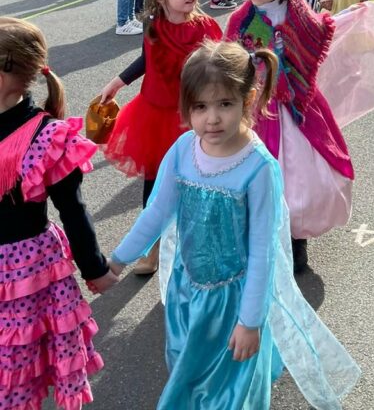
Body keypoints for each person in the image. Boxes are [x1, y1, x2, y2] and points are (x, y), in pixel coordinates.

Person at [108, 40, 360, 409]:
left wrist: (250, 321)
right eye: (200, 107)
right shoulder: (183, 150)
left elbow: (263, 251)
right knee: (189, 379)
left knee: (229, 395)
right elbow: (156, 213)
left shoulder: (258, 168)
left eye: (224, 104)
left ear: (248, 98)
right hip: (186, 294)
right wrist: (117, 260)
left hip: (233, 304)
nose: (212, 118)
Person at [0, 17, 117, 409]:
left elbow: (73, 210)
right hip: (24, 266)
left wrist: (94, 267)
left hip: (27, 272)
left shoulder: (47, 136)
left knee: (17, 361)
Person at [225, 0, 355, 273]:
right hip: (257, 109)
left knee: (300, 177)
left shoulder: (296, 9)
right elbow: (228, 60)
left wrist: (350, 17)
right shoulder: (242, 18)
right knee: (257, 177)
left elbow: (317, 34)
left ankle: (297, 238)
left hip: (296, 105)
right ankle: (262, 240)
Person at [99, 0, 222, 273]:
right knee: (154, 183)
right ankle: (150, 248)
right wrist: (118, 82)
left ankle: (197, 246)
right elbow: (146, 58)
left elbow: (217, 70)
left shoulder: (205, 27)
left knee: (197, 180)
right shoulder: (153, 24)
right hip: (154, 113)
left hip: (189, 117)